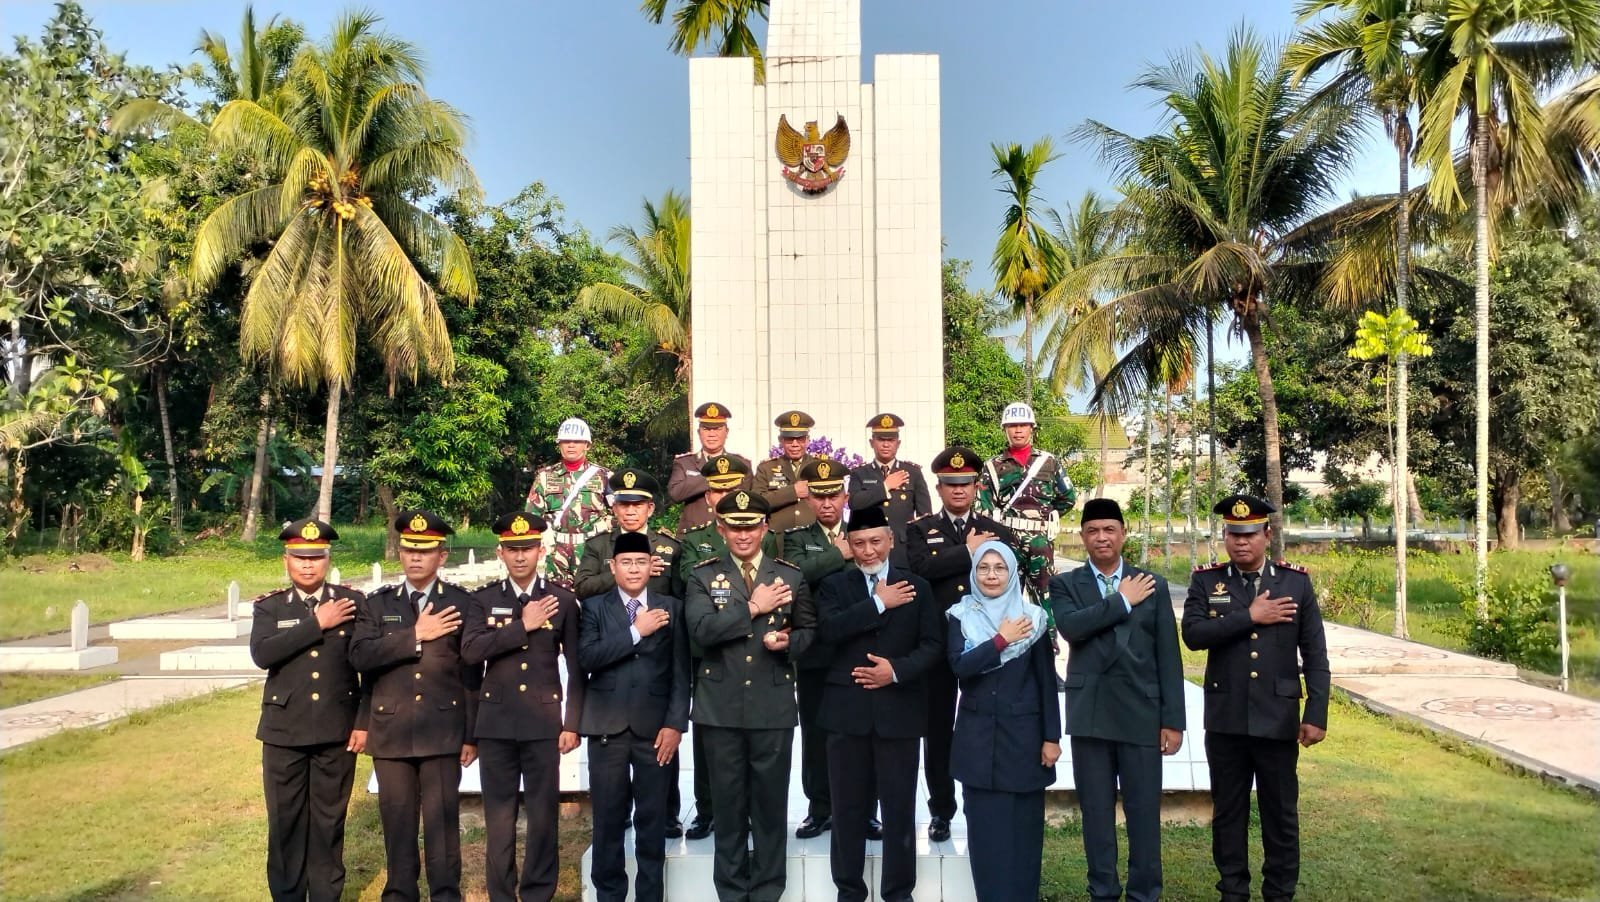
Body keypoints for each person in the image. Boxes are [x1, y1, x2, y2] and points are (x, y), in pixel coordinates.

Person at [1183, 494, 1330, 902]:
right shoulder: (1206, 581)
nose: (1240, 542)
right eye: (1233, 534)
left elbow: (1315, 654)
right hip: (1226, 719)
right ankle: (1233, 892)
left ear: (1267, 534)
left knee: (1280, 814)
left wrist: (1316, 713)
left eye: (1249, 534)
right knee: (1229, 813)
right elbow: (1193, 636)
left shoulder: (1294, 583)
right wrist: (1249, 616)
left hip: (1277, 719)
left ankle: (1279, 893)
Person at [1051, 498, 1186, 902]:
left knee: (1144, 813)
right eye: (1093, 531)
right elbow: (1073, 628)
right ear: (1082, 537)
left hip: (1142, 713)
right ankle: (1103, 891)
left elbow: (1168, 655)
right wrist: (1122, 601)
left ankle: (1145, 892)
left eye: (1109, 529)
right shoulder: (1066, 584)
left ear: (1123, 534)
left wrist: (1173, 720)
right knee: (1096, 813)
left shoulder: (1153, 584)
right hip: (1090, 712)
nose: (1101, 537)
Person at [684, 490, 815, 902]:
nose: (743, 534)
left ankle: (767, 891)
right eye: (734, 526)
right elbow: (701, 632)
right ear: (721, 528)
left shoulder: (789, 575)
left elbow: (810, 632)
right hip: (719, 708)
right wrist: (754, 610)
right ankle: (732, 892)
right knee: (727, 807)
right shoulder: (703, 575)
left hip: (772, 705)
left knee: (770, 807)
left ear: (764, 527)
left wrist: (789, 644)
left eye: (751, 526)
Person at [814, 503, 943, 902]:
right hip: (846, 715)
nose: (868, 551)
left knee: (900, 810)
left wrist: (896, 671)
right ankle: (848, 891)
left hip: (898, 712)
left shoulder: (916, 587)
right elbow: (829, 631)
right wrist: (878, 603)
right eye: (858, 543)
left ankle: (898, 893)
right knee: (847, 810)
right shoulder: (835, 586)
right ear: (848, 546)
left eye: (875, 541)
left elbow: (933, 646)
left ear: (889, 540)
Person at [349, 510, 480, 902]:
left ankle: (445, 894)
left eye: (425, 551)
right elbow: (360, 658)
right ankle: (400, 893)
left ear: (442, 556)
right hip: (390, 731)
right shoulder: (378, 604)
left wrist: (471, 734)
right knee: (397, 822)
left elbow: (472, 673)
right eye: (409, 550)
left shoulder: (460, 603)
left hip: (442, 731)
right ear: (400, 554)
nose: (415, 558)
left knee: (442, 825)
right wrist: (415, 635)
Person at [460, 512, 586, 902]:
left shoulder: (562, 601)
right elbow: (471, 652)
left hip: (543, 720)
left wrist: (572, 723)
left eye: (527, 549)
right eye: (512, 549)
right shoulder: (482, 600)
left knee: (543, 813)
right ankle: (501, 893)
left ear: (541, 551)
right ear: (500, 552)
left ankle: (537, 892)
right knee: (499, 817)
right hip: (495, 722)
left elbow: (578, 669)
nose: (519, 557)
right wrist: (522, 625)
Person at [249, 518, 368, 902]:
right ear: (286, 560)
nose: (307, 565)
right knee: (285, 824)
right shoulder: (270, 607)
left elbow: (369, 666)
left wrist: (363, 723)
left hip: (337, 731)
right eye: (299, 557)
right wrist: (317, 622)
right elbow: (263, 654)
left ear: (327, 560)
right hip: (284, 733)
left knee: (329, 823)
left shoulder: (352, 602)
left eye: (315, 558)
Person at [904, 445, 1018, 842]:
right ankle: (941, 810)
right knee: (938, 730)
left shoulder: (997, 531)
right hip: (937, 645)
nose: (958, 491)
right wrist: (966, 551)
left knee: (985, 723)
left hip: (984, 645)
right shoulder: (920, 530)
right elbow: (919, 570)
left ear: (976, 486)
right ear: (938, 487)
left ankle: (984, 805)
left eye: (965, 483)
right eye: (950, 484)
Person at [578, 530, 691, 902]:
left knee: (652, 820)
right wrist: (635, 632)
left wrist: (675, 723)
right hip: (607, 726)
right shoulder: (595, 607)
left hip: (654, 729)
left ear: (651, 566)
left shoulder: (671, 607)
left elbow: (680, 672)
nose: (633, 569)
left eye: (640, 562)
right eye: (625, 562)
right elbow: (588, 658)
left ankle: (649, 896)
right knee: (608, 820)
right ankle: (609, 895)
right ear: (613, 566)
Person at [946, 540, 1061, 902]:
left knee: (1024, 841)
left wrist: (1051, 737)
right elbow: (961, 668)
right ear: (974, 572)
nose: (991, 575)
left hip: (1025, 742)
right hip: (978, 743)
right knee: (987, 839)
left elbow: (1046, 682)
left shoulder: (1034, 619)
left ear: (1011, 572)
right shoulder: (959, 616)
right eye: (984, 567)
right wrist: (999, 640)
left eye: (999, 568)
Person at [675, 453, 775, 842]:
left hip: (756, 649)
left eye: (732, 486)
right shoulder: (696, 539)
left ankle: (748, 810)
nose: (725, 493)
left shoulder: (761, 538)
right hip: (712, 653)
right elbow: (691, 584)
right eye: (717, 488)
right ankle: (707, 809)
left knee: (752, 738)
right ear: (709, 495)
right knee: (709, 738)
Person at [773, 457, 873, 841]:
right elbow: (797, 573)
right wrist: (842, 554)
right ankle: (820, 808)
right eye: (819, 496)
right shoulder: (798, 537)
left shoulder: (863, 531)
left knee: (863, 734)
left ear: (845, 496)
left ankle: (865, 810)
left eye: (834, 495)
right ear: (809, 500)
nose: (828, 503)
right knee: (816, 735)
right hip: (816, 651)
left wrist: (849, 549)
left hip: (860, 648)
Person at [977, 401, 1078, 601]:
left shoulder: (1049, 462)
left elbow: (1068, 498)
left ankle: (1046, 634)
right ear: (1005, 430)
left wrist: (1046, 516)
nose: (1018, 430)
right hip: (1007, 542)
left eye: (1023, 425)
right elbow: (983, 507)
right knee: (1004, 598)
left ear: (1031, 428)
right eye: (1012, 426)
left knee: (1046, 599)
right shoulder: (992, 467)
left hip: (1040, 542)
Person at [574, 468, 684, 605]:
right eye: (624, 505)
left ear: (650, 509)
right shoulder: (598, 545)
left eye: (637, 505)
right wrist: (621, 574)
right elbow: (581, 589)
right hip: (610, 622)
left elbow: (680, 600)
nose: (630, 512)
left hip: (657, 620)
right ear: (614, 509)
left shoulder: (671, 548)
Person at [525, 417, 613, 588]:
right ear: (559, 445)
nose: (571, 445)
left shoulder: (604, 476)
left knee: (593, 597)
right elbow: (531, 516)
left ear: (587, 445)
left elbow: (619, 513)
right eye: (566, 441)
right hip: (557, 551)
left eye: (577, 441)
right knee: (558, 601)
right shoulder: (545, 476)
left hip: (592, 549)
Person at [846, 413, 931, 566]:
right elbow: (854, 502)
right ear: (872, 442)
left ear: (898, 443)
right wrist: (885, 487)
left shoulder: (912, 473)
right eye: (881, 440)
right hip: (870, 552)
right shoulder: (859, 473)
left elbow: (925, 516)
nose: (886, 445)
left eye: (890, 440)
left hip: (903, 551)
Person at [668, 402, 752, 536]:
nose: (711, 434)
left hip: (729, 534)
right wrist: (714, 474)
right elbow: (675, 494)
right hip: (692, 536)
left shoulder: (741, 464)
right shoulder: (685, 463)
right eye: (706, 429)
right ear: (698, 432)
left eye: (717, 428)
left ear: (727, 432)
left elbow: (747, 499)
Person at [754, 409, 820, 532]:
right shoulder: (766, 468)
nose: (795, 444)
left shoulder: (820, 467)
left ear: (807, 440)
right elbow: (756, 503)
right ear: (781, 440)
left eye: (800, 439)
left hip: (813, 537)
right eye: (789, 439)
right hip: (779, 539)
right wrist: (792, 492)